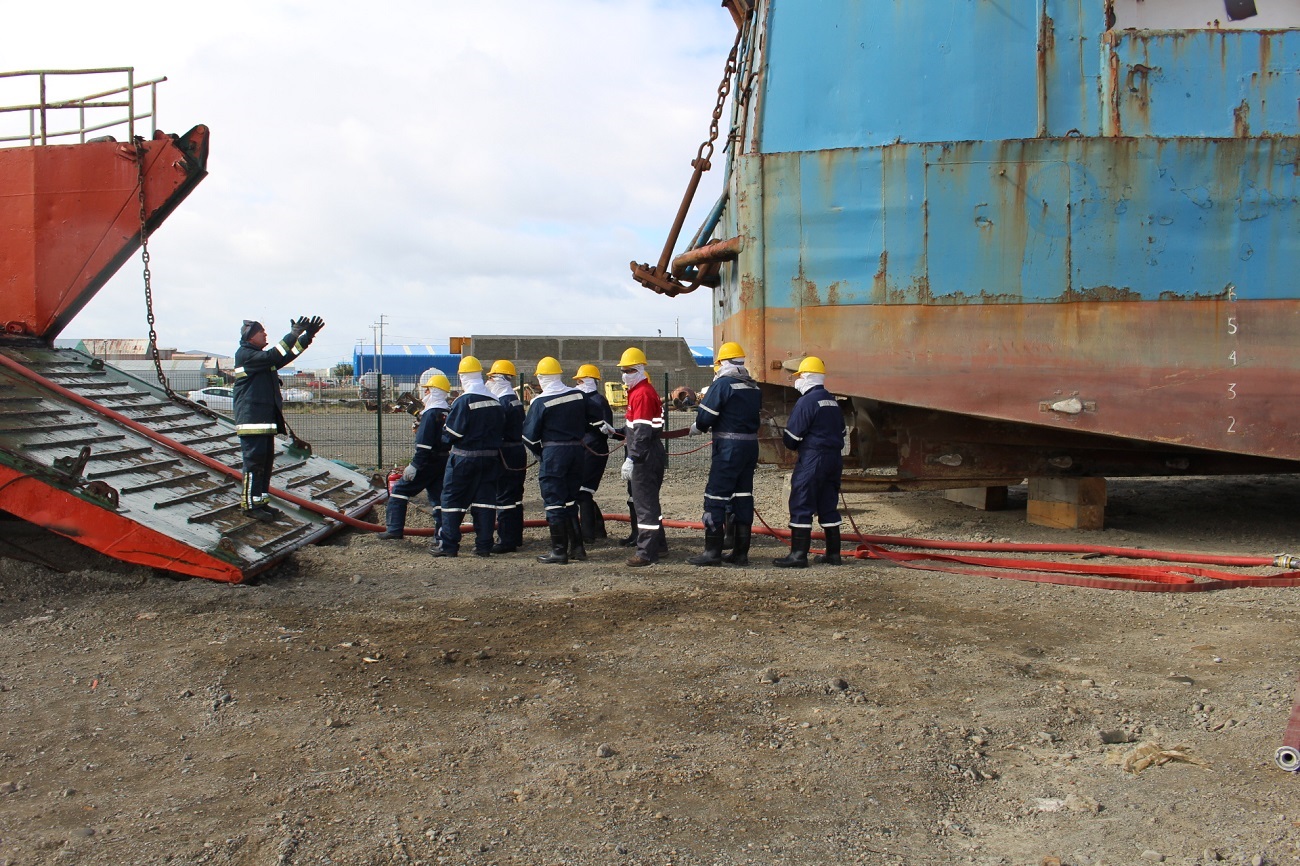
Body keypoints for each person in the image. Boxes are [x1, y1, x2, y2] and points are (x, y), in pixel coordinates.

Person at [232, 316, 323, 521]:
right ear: (250, 336)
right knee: (254, 463)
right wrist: (293, 333)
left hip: (263, 420)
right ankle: (249, 505)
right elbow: (276, 354)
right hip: (252, 420)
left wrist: (307, 337)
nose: (265, 334)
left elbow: (286, 355)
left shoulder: (260, 358)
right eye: (261, 331)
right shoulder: (246, 355)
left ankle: (260, 502)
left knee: (264, 463)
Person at [686, 341, 762, 566]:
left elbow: (704, 419)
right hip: (750, 448)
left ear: (722, 362)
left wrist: (697, 427)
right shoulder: (753, 386)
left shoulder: (723, 384)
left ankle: (712, 553)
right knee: (743, 496)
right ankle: (741, 553)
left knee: (716, 497)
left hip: (728, 449)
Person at [773, 356, 846, 568]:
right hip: (834, 458)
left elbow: (792, 438)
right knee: (828, 504)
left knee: (801, 501)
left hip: (814, 458)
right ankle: (833, 554)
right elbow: (842, 431)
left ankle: (798, 555)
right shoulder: (832, 401)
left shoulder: (806, 402)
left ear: (805, 376)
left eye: (798, 377)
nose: (796, 381)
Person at [430, 356, 505, 558]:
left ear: (462, 376)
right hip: (490, 459)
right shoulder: (495, 401)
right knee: (485, 502)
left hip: (464, 458)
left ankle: (448, 545)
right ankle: (484, 546)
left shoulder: (464, 401)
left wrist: (442, 432)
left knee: (452, 500)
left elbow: (452, 435)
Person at [522, 357, 594, 564]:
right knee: (571, 499)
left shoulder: (540, 402)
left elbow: (528, 437)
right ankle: (578, 548)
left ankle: (559, 551)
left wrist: (541, 454)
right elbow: (591, 421)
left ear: (542, 378)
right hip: (577, 452)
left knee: (553, 502)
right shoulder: (579, 395)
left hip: (554, 453)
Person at [378, 371, 452, 540]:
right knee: (438, 499)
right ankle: (441, 535)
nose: (424, 393)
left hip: (427, 461)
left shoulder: (431, 413)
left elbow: (424, 443)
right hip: (443, 460)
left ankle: (394, 528)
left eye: (427, 390)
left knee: (400, 490)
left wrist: (415, 466)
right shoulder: (448, 411)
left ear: (432, 391)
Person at [614, 347, 667, 567]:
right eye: (623, 370)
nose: (624, 374)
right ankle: (659, 546)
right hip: (648, 452)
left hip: (645, 456)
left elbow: (643, 433)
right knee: (649, 504)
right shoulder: (638, 392)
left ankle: (646, 552)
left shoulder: (642, 394)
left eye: (628, 370)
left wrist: (632, 458)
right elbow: (636, 427)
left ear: (639, 370)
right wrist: (616, 432)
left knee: (644, 506)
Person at [487, 359, 526, 553]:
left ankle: (506, 540)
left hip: (506, 453)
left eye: (492, 378)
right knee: (515, 497)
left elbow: (495, 429)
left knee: (504, 497)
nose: (489, 382)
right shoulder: (514, 399)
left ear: (498, 378)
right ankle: (515, 536)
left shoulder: (502, 401)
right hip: (517, 451)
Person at [575, 363, 613, 544]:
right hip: (586, 449)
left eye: (580, 381)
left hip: (594, 450)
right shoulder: (585, 400)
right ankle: (597, 529)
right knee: (582, 492)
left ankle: (589, 534)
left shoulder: (597, 401)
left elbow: (608, 429)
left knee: (583, 492)